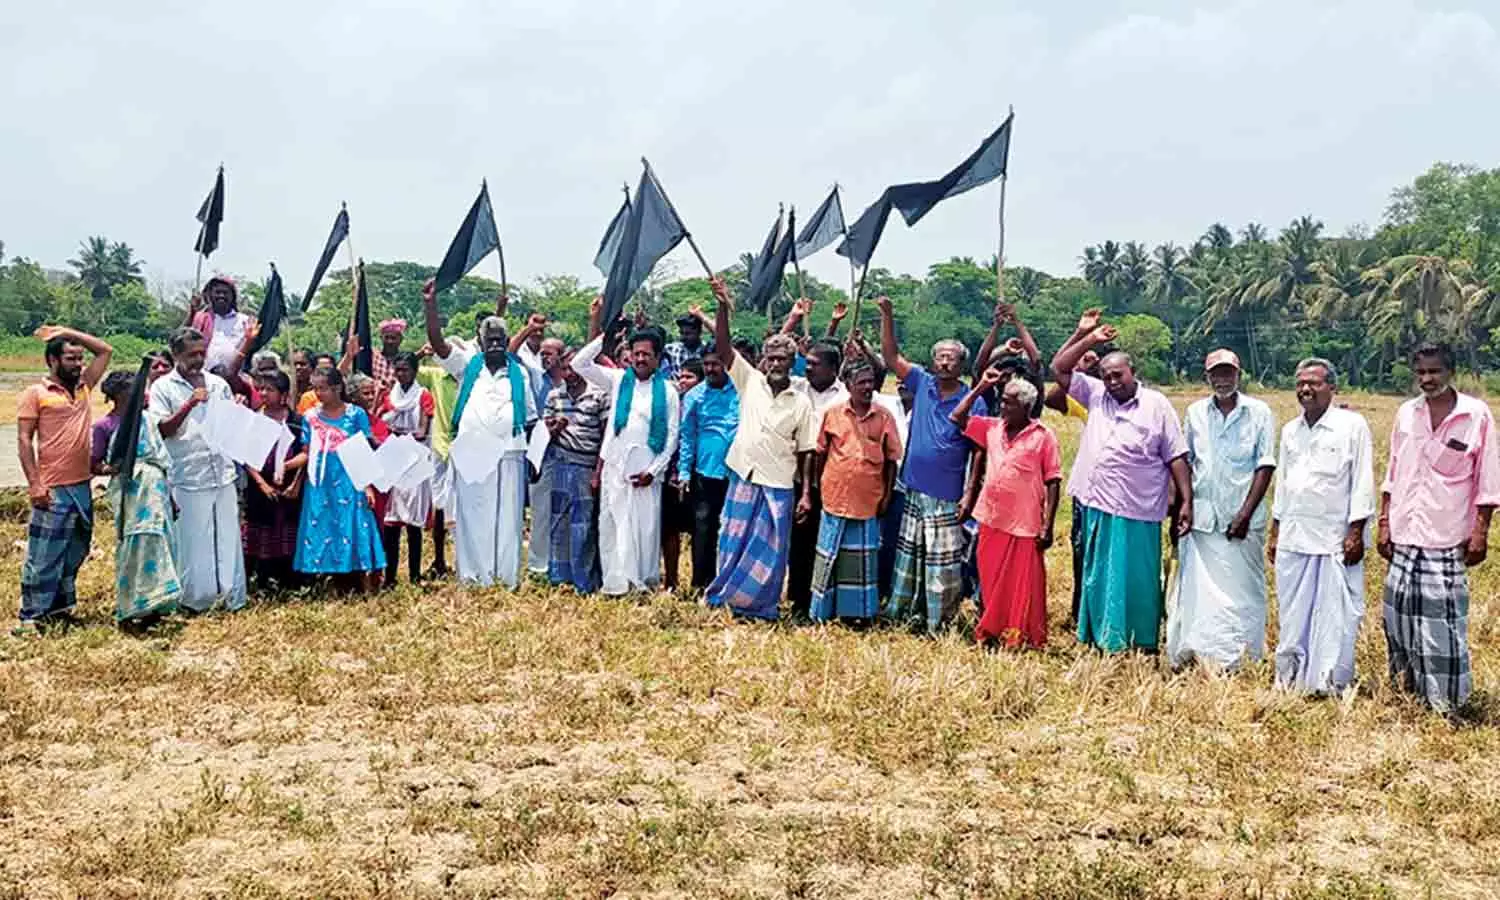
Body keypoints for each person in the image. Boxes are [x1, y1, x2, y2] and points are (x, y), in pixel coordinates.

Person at [1051, 323, 1192, 653]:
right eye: (1107, 376)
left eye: (1118, 375)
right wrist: (1088, 337)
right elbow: (1058, 367)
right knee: (1098, 574)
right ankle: (1101, 636)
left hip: (1138, 507)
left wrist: (1186, 500)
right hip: (1098, 503)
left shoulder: (1156, 405)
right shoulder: (1095, 394)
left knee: (1138, 577)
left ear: (1133, 373)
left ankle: (1140, 639)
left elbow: (1176, 455)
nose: (1113, 381)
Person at [1377, 344, 1499, 713]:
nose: (1427, 379)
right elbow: (1393, 472)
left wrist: (1481, 532)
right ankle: (1407, 693)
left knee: (1441, 624)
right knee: (1398, 618)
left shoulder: (1474, 415)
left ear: (1450, 371)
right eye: (1421, 372)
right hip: (1405, 532)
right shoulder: (1406, 413)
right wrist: (1384, 522)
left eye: (1434, 371)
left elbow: (1488, 479)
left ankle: (1446, 702)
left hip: (1445, 537)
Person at [704, 281, 815, 619]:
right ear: (764, 360)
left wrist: (806, 494)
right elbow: (724, 348)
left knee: (769, 552)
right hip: (743, 475)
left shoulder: (801, 401)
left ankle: (761, 607)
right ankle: (725, 599)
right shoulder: (749, 381)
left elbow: (807, 450)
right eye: (772, 358)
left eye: (783, 359)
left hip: (778, 483)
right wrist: (722, 306)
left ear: (792, 362)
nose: (776, 363)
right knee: (732, 539)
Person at [875, 295, 985, 633]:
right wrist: (888, 315)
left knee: (942, 564)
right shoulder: (922, 382)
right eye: (940, 357)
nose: (945, 362)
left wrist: (969, 495)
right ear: (933, 361)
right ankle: (903, 612)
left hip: (947, 495)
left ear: (962, 364)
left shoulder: (973, 400)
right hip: (913, 488)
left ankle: (939, 622)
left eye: (952, 358)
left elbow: (979, 452)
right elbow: (891, 356)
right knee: (909, 557)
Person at [1268, 358, 1375, 695]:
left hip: (1334, 540)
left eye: (1314, 383)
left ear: (1332, 387)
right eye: (1300, 383)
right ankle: (1290, 678)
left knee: (1336, 615)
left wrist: (1356, 532)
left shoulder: (1352, 426)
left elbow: (1362, 481)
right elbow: (1283, 485)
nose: (1306, 389)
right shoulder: (1291, 430)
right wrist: (1275, 531)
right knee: (1293, 612)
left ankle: (1329, 681)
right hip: (1295, 536)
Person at [422, 279, 538, 588]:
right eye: (490, 339)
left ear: (507, 341)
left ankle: (505, 578)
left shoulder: (519, 373)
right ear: (481, 342)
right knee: (473, 516)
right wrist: (430, 305)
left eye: (500, 339)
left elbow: (529, 419)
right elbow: (438, 344)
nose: (496, 344)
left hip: (510, 454)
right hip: (473, 455)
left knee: (507, 518)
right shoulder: (467, 367)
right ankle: (473, 578)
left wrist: (533, 458)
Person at [1166, 350, 1277, 670]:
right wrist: (1183, 505)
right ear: (1207, 377)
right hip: (1203, 518)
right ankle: (1202, 653)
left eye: (1228, 372)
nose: (1222, 379)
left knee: (1244, 589)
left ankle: (1242, 657)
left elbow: (1265, 465)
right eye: (1216, 373)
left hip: (1242, 519)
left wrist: (1244, 514)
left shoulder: (1259, 412)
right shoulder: (1196, 412)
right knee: (1200, 591)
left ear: (1239, 374)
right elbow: (1186, 462)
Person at [574, 298, 681, 596]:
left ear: (658, 358)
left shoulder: (668, 391)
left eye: (647, 354)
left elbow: (672, 436)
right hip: (616, 466)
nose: (640, 359)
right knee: (612, 524)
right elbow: (579, 364)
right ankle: (615, 583)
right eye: (636, 354)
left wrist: (653, 471)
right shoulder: (619, 380)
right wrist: (604, 336)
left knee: (644, 529)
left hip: (646, 471)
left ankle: (641, 583)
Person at [950, 371, 1061, 648]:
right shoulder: (992, 427)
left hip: (1025, 522)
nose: (1002, 407)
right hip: (992, 517)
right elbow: (957, 417)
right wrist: (981, 387)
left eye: (1009, 403)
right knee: (991, 577)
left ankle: (1018, 635)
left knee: (1021, 582)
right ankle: (991, 628)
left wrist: (1048, 526)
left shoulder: (1043, 437)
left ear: (1026, 407)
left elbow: (1053, 481)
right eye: (1002, 401)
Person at [15, 326, 112, 632]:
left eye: (80, 358)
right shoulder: (36, 394)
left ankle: (58, 609)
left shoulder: (84, 387)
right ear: (52, 361)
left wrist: (68, 331)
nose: (78, 364)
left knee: (75, 550)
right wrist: (35, 483)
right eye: (70, 358)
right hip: (52, 487)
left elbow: (105, 351)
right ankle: (32, 616)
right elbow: (24, 440)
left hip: (81, 484)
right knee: (44, 554)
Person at [149, 327, 247, 613]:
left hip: (222, 471)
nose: (198, 360)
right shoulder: (163, 387)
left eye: (202, 354)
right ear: (176, 354)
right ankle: (195, 600)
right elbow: (162, 430)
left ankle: (232, 596)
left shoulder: (218, 384)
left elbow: (229, 427)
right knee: (194, 538)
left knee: (228, 535)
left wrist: (237, 410)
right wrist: (190, 403)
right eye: (192, 355)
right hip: (188, 474)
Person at [808, 362, 902, 624]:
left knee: (861, 562)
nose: (867, 387)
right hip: (835, 498)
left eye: (870, 381)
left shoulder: (884, 416)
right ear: (848, 385)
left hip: (868, 501)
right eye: (861, 382)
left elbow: (891, 460)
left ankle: (858, 614)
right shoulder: (833, 414)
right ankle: (822, 613)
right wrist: (818, 487)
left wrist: (886, 496)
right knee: (829, 556)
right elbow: (820, 453)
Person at [294, 367, 386, 591]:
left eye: (323, 388)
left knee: (355, 525)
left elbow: (363, 451)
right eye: (315, 388)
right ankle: (327, 585)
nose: (318, 394)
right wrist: (286, 467)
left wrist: (367, 486)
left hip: (350, 480)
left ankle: (365, 585)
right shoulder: (310, 417)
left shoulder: (355, 415)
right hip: (321, 482)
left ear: (337, 388)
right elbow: (306, 452)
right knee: (323, 526)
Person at [105, 369, 183, 629]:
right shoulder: (110, 425)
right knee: (136, 543)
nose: (146, 395)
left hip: (155, 489)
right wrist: (112, 469)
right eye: (137, 391)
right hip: (133, 492)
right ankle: (132, 606)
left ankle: (156, 606)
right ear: (120, 396)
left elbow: (161, 460)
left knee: (158, 540)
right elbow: (99, 463)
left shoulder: (147, 420)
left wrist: (170, 497)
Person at [785, 339, 849, 619]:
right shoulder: (797, 388)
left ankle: (823, 601)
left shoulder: (844, 398)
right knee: (799, 541)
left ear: (833, 368)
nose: (808, 368)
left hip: (830, 479)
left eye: (814, 364)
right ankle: (798, 600)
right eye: (807, 363)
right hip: (797, 477)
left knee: (825, 543)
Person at [542, 353, 610, 593]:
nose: (569, 374)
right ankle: (560, 578)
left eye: (572, 368)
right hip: (560, 464)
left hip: (586, 466)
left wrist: (598, 473)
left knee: (584, 525)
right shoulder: (554, 396)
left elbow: (606, 437)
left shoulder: (599, 395)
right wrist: (553, 429)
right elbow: (544, 434)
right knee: (558, 522)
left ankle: (584, 582)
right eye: (564, 369)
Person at [510, 315, 568, 579]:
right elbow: (510, 353)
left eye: (550, 353)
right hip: (541, 451)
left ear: (562, 357)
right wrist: (529, 329)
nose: (544, 358)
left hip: (569, 453)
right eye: (542, 353)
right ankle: (538, 566)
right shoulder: (535, 376)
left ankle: (562, 564)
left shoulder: (572, 382)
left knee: (565, 510)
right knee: (540, 509)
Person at [678, 345, 739, 590]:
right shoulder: (694, 396)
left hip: (736, 474)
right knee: (704, 530)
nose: (711, 369)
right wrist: (684, 472)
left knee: (733, 531)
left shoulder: (741, 391)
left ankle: (728, 585)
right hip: (705, 473)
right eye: (707, 364)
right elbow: (687, 436)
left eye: (716, 363)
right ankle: (700, 585)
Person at [243, 370, 306, 594]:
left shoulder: (297, 421)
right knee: (261, 532)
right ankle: (261, 580)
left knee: (287, 530)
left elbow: (306, 453)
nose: (263, 393)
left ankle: (289, 581)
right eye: (261, 388)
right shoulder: (253, 419)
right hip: (260, 488)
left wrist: (286, 467)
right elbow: (246, 455)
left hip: (289, 487)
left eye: (269, 389)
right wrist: (262, 483)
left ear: (284, 395)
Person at [377, 352, 434, 588]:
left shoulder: (423, 395)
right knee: (392, 521)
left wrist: (398, 433)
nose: (401, 375)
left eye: (405, 370)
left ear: (415, 371)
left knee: (412, 522)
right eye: (397, 370)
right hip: (395, 461)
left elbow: (422, 430)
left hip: (415, 462)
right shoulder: (390, 396)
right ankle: (390, 576)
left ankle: (414, 575)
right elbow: (380, 422)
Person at [660, 359, 703, 590]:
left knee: (699, 531)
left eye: (689, 377)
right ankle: (671, 580)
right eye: (681, 377)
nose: (683, 382)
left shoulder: (704, 405)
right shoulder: (672, 403)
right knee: (669, 529)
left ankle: (699, 582)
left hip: (698, 475)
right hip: (671, 475)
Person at [188, 276, 256, 373]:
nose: (221, 296)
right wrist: (192, 312)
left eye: (225, 293)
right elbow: (184, 340)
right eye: (217, 292)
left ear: (232, 296)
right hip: (202, 375)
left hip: (234, 375)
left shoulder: (244, 321)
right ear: (211, 295)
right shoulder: (201, 318)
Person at [91, 371, 137, 477]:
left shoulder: (147, 417)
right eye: (134, 388)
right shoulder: (104, 426)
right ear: (119, 394)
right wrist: (110, 469)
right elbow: (94, 464)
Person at [661, 310, 707, 379]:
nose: (683, 337)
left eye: (687, 334)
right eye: (681, 333)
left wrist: (703, 317)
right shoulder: (672, 349)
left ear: (699, 332)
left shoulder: (707, 350)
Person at [372, 318, 407, 400]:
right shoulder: (373, 355)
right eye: (386, 337)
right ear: (381, 338)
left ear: (400, 340)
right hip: (375, 401)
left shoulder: (404, 361)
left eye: (393, 338)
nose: (390, 341)